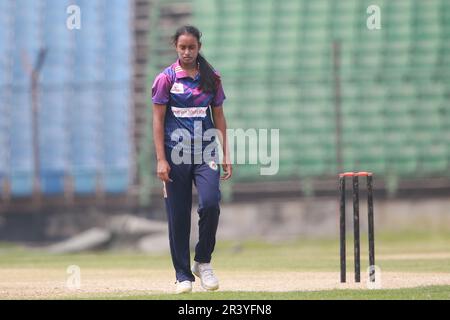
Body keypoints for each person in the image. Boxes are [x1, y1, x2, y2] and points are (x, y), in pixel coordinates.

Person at [151, 25, 232, 294]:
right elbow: (157, 120)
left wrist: (226, 153)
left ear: (199, 48)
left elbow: (219, 116)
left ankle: (203, 262)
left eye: (192, 47)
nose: (187, 52)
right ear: (176, 47)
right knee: (178, 216)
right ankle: (182, 275)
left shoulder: (212, 78)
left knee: (210, 204)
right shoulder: (165, 79)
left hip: (206, 152)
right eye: (183, 47)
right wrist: (161, 160)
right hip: (175, 155)